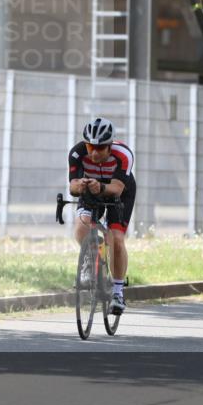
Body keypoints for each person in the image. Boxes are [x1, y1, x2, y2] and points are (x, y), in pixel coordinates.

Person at [67, 117, 135, 314]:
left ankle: (118, 292)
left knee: (116, 239)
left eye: (100, 148)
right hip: (90, 189)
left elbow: (117, 189)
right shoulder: (77, 153)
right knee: (81, 227)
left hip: (119, 191)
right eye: (90, 147)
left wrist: (101, 186)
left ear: (110, 146)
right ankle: (90, 261)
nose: (94, 152)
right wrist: (78, 186)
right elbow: (72, 187)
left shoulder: (123, 154)